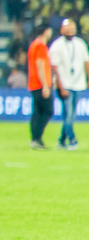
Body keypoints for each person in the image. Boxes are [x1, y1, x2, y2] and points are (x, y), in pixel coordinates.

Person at [48, 18, 87, 150]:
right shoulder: (57, 45)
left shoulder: (80, 44)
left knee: (70, 115)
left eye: (72, 28)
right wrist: (60, 86)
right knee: (69, 114)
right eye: (68, 29)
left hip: (78, 83)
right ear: (62, 30)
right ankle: (72, 140)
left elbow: (86, 62)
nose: (70, 31)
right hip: (64, 84)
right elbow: (54, 68)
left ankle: (61, 141)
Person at [28, 23, 57, 150]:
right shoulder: (40, 46)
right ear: (46, 31)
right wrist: (45, 85)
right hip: (40, 84)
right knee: (47, 110)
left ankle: (35, 139)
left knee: (38, 112)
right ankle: (37, 138)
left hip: (34, 84)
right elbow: (40, 66)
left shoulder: (34, 45)